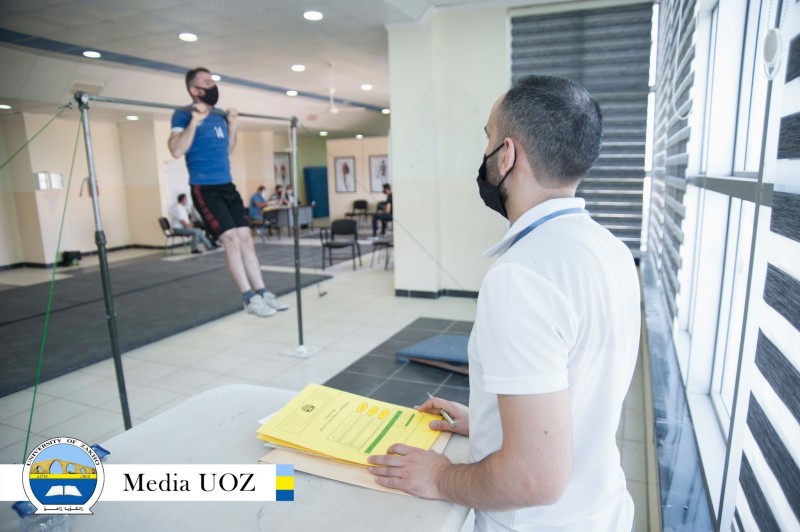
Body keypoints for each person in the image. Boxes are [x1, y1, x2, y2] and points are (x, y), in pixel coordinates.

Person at [368, 75, 641, 531]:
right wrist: (487, 421)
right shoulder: (610, 248)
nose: (486, 153)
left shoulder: (522, 275)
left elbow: (533, 478)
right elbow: (579, 387)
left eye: (489, 138)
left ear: (507, 154)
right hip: (602, 510)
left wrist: (440, 477)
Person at [168, 67, 288, 318]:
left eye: (213, 81)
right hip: (205, 187)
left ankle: (263, 292)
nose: (213, 86)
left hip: (227, 185)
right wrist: (194, 121)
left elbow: (227, 150)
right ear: (194, 90)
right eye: (207, 83)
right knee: (231, 239)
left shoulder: (219, 115)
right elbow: (176, 150)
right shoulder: (183, 114)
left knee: (246, 238)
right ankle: (248, 298)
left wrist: (232, 125)